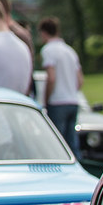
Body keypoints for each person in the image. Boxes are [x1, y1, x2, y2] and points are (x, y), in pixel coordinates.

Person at [38, 16, 83, 157]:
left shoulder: (48, 50)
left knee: (57, 146)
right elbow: (80, 80)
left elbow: (51, 78)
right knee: (72, 145)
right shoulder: (70, 51)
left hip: (57, 102)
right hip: (73, 101)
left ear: (44, 33)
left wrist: (46, 99)